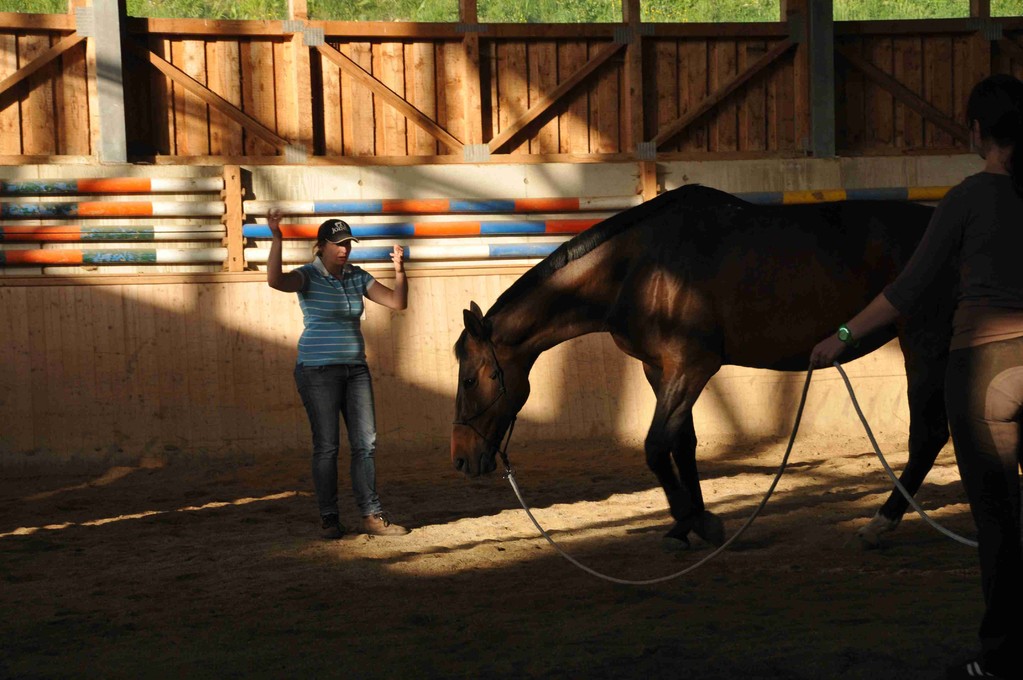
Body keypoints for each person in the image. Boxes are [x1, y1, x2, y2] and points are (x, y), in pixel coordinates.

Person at [810, 74, 1023, 680]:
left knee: (999, 522)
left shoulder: (966, 198)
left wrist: (841, 338)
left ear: (977, 132)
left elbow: (904, 293)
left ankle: (1004, 658)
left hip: (985, 370)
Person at [266, 209, 411, 539]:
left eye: (348, 242)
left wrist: (400, 271)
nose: (344, 249)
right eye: (337, 243)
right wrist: (277, 239)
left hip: (355, 369)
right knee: (328, 446)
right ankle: (329, 517)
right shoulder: (308, 276)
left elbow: (397, 302)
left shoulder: (358, 276)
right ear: (321, 246)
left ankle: (371, 515)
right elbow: (275, 281)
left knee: (366, 443)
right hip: (316, 370)